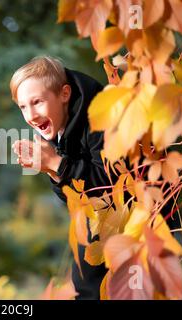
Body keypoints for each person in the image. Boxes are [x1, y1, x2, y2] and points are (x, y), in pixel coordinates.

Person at [11, 55, 111, 299]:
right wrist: (52, 170)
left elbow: (110, 185)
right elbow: (74, 197)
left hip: (132, 221)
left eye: (37, 102)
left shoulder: (99, 118)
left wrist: (58, 163)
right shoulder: (58, 126)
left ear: (64, 94)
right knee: (84, 285)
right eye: (23, 106)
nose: (31, 115)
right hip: (95, 221)